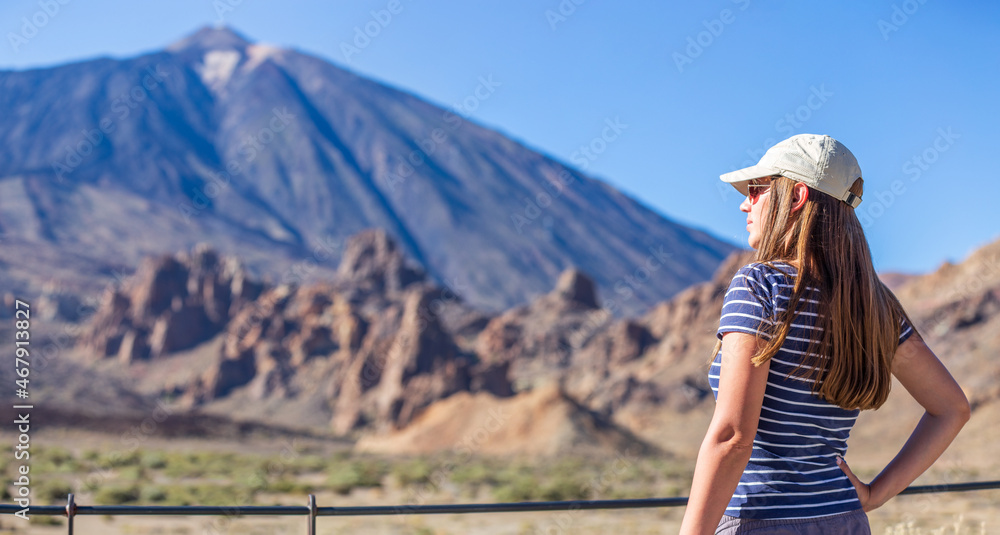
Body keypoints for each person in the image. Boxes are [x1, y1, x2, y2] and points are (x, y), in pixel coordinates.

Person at [678, 134, 971, 534]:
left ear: (796, 195)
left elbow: (732, 437)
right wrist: (874, 495)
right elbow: (952, 408)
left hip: (760, 521)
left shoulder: (759, 285)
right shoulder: (874, 304)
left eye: (757, 189)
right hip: (844, 521)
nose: (745, 202)